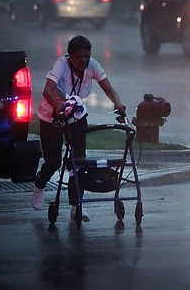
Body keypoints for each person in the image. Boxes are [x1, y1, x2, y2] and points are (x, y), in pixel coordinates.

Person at [31, 35, 126, 222]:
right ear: (70, 56)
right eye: (79, 57)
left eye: (86, 56)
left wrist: (118, 104)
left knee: (78, 163)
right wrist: (58, 106)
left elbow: (108, 87)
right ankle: (39, 186)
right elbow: (47, 90)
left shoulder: (92, 66)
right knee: (53, 162)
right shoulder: (61, 65)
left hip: (76, 114)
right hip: (52, 116)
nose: (83, 61)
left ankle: (76, 207)